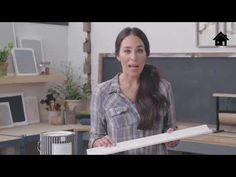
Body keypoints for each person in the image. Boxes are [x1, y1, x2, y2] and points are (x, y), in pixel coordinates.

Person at [88, 27, 179, 154]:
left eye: (139, 51)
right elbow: (95, 137)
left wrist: (172, 138)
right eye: (127, 51)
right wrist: (99, 142)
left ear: (146, 54)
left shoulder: (163, 87)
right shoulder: (102, 92)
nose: (134, 57)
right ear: (118, 55)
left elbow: (171, 129)